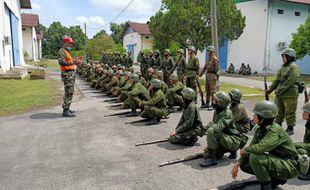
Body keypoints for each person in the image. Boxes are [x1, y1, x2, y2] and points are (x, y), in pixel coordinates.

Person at [231, 101, 299, 190]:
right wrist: (238, 163)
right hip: (280, 161)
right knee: (245, 163)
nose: (253, 117)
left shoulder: (275, 130)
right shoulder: (260, 129)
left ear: (263, 117)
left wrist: (246, 149)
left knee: (255, 157)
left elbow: (262, 147)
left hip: (290, 165)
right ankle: (275, 180)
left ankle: (266, 186)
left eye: (255, 115)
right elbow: (253, 146)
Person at [199, 91, 242, 167]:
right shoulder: (217, 111)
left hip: (233, 140)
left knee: (211, 131)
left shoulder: (227, 113)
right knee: (205, 154)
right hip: (226, 138)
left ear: (220, 102)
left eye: (215, 100)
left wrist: (209, 124)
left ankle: (212, 159)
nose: (213, 101)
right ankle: (231, 151)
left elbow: (217, 128)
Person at [266, 48, 300, 135]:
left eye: (285, 56)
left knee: (290, 111)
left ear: (290, 57)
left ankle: (290, 128)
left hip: (290, 94)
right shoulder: (283, 67)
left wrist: (278, 90)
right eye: (282, 56)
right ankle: (278, 125)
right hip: (280, 94)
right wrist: (269, 90)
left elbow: (289, 82)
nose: (283, 58)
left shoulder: (294, 67)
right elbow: (277, 80)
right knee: (278, 110)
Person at [58, 36, 80, 117]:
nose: (71, 45)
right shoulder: (62, 51)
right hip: (67, 74)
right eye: (70, 43)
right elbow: (61, 62)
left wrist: (74, 62)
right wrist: (73, 63)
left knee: (70, 91)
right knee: (69, 92)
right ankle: (65, 111)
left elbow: (68, 61)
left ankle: (67, 108)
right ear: (65, 43)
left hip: (70, 73)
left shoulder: (66, 51)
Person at [295, 101, 310, 180]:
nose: (303, 113)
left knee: (301, 150)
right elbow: (306, 140)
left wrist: (296, 145)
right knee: (301, 151)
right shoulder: (309, 123)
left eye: (306, 112)